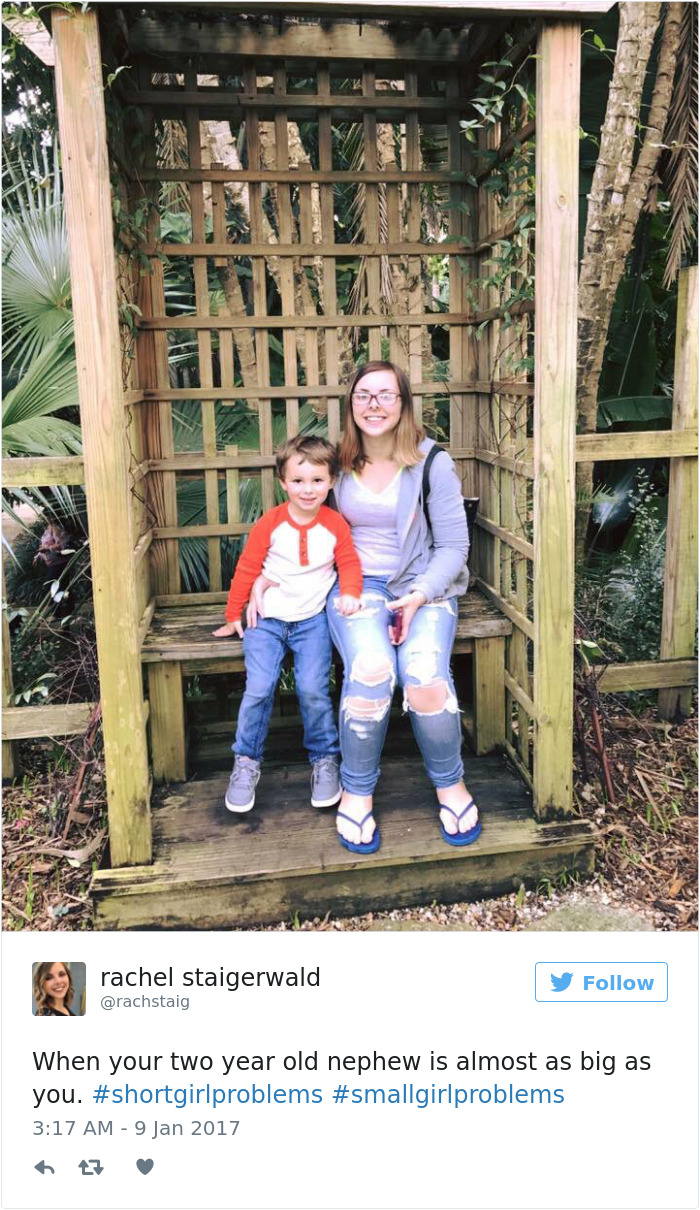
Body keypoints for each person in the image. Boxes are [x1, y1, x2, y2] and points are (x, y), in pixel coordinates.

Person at [325, 360, 480, 854]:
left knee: (424, 675)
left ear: (403, 403)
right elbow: (302, 526)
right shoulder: (335, 464)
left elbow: (454, 547)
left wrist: (420, 595)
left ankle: (450, 784)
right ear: (351, 405)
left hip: (424, 585)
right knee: (371, 670)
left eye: (386, 395)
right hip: (356, 586)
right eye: (363, 395)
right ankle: (357, 790)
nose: (374, 405)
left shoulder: (432, 463)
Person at [214, 435, 363, 814]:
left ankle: (325, 759)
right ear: (283, 482)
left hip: (312, 621)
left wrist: (350, 592)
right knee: (259, 687)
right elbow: (247, 568)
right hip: (266, 619)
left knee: (313, 688)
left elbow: (348, 562)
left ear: (331, 481)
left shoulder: (335, 525)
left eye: (317, 480)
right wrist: (233, 615)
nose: (308, 489)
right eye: (298, 480)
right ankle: (246, 761)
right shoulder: (271, 523)